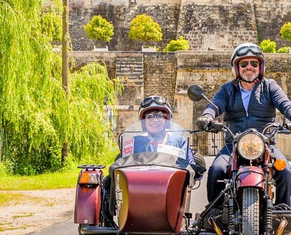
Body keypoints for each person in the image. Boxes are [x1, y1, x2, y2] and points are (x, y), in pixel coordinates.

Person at [197, 42, 291, 208]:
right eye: (244, 63)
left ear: (260, 67)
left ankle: (284, 213)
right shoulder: (227, 89)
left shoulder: (270, 87)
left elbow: (285, 105)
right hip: (233, 145)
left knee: (285, 171)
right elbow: (215, 105)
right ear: (237, 67)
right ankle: (215, 213)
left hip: (266, 145)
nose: (249, 67)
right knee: (216, 170)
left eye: (254, 63)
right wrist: (207, 116)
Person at [102, 96, 204, 221]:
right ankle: (107, 217)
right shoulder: (135, 142)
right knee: (108, 180)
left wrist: (194, 171)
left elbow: (192, 170)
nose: (154, 120)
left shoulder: (179, 141)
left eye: (159, 115)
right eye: (149, 116)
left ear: (166, 119)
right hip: (138, 194)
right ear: (143, 121)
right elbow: (122, 167)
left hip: (170, 196)